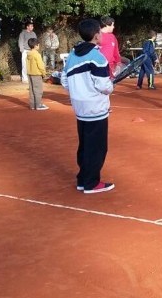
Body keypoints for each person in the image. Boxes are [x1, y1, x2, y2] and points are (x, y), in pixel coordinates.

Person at [61, 18, 115, 194]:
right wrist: (110, 87)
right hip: (95, 109)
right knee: (97, 147)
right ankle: (91, 183)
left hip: (80, 108)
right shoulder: (97, 57)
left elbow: (64, 80)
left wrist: (78, 93)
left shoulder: (71, 56)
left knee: (85, 145)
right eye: (99, 32)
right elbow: (103, 86)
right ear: (96, 35)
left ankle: (83, 180)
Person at [26, 38, 49, 110]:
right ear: (36, 46)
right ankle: (38, 105)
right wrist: (44, 73)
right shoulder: (37, 54)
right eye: (38, 45)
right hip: (36, 74)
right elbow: (41, 65)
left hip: (30, 74)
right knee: (38, 90)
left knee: (32, 90)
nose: (39, 46)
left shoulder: (28, 54)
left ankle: (33, 105)